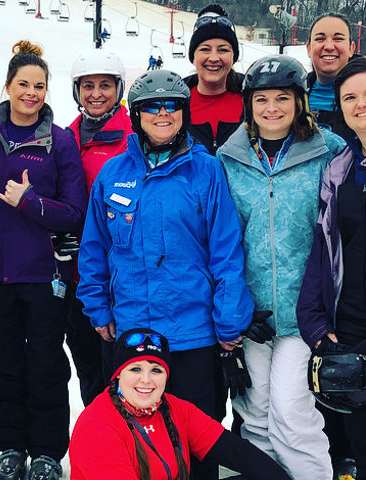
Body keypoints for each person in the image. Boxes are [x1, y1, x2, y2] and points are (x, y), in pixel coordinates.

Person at [77, 69, 254, 480]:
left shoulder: (206, 171)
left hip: (192, 334)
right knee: (137, 439)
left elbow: (226, 251)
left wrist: (229, 321)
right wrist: (98, 309)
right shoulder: (113, 174)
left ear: (184, 113)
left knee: (197, 439)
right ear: (137, 115)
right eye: (152, 106)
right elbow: (95, 249)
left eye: (172, 105)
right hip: (134, 333)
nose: (162, 113)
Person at [215, 54, 346, 479]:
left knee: (291, 411)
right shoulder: (229, 158)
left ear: (299, 101)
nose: (272, 108)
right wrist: (235, 308)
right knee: (254, 412)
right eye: (262, 99)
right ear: (249, 105)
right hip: (251, 312)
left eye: (282, 98)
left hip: (304, 311)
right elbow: (222, 238)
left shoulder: (328, 151)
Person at [0, 40, 86, 480]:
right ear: (8, 86)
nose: (31, 93)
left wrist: (30, 201)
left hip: (44, 276)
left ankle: (46, 452)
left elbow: (73, 212)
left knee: (45, 365)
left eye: (39, 86)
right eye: (23, 84)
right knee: (1, 364)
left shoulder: (60, 141)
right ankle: (10, 447)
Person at [298, 56, 366, 480]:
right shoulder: (339, 168)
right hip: (352, 331)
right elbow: (322, 250)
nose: (361, 104)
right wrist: (313, 319)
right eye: (350, 97)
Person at [69, 328, 293, 480]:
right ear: (118, 375)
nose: (146, 380)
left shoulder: (175, 408)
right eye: (135, 369)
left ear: (166, 376)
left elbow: (237, 452)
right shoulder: (98, 425)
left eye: (156, 370)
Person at [66, 49, 134, 406]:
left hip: (120, 277)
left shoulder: (133, 138)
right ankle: (99, 433)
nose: (96, 94)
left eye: (105, 85)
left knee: (124, 371)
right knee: (89, 369)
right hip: (77, 276)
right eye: (87, 86)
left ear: (118, 89)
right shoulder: (66, 138)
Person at [185, 4, 243, 155]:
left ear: (233, 57)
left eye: (223, 50)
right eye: (205, 49)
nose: (213, 58)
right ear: (193, 56)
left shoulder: (252, 98)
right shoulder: (177, 101)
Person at [306, 13, 357, 139]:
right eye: (320, 39)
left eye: (338, 39)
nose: (329, 46)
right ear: (308, 49)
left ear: (351, 48)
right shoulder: (293, 94)